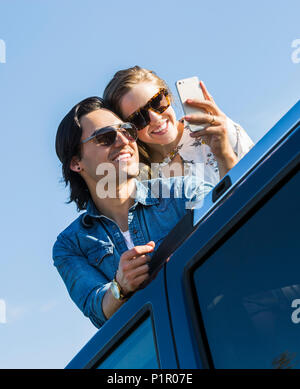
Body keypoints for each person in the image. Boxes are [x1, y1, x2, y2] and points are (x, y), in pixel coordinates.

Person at [53, 96, 213, 329]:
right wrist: (120, 286)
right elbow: (97, 311)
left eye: (127, 131)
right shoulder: (70, 245)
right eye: (105, 137)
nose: (123, 141)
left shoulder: (185, 193)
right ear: (76, 162)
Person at [103, 66, 254, 184]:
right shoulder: (137, 176)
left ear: (168, 96)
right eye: (138, 118)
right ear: (127, 130)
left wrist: (224, 154)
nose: (155, 118)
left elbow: (258, 187)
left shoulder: (218, 131)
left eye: (157, 102)